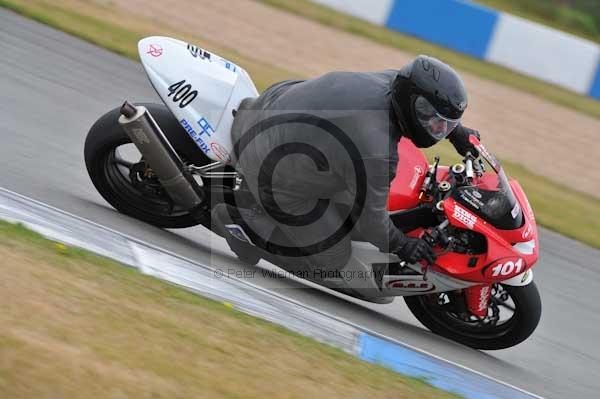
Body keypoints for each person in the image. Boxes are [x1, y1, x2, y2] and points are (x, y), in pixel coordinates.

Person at [211, 55, 480, 278]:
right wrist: (403, 245)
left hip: (276, 102)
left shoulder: (393, 83)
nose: (439, 128)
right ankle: (245, 227)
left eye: (446, 124)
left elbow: (424, 106)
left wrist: (457, 133)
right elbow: (373, 222)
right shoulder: (376, 147)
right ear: (413, 102)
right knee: (333, 258)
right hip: (270, 169)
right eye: (437, 122)